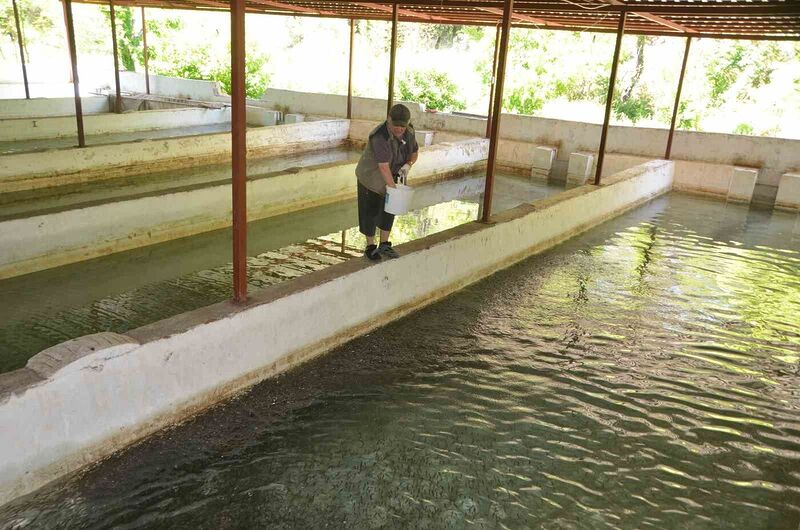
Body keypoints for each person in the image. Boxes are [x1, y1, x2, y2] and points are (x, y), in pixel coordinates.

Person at [355, 104, 419, 261]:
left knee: (389, 209)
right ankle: (370, 246)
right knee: (369, 211)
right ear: (388, 119)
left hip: (394, 172)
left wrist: (408, 165)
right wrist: (394, 189)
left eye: (402, 126)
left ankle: (384, 244)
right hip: (371, 177)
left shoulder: (409, 132)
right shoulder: (379, 136)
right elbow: (383, 166)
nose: (399, 129)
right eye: (395, 125)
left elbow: (415, 152)